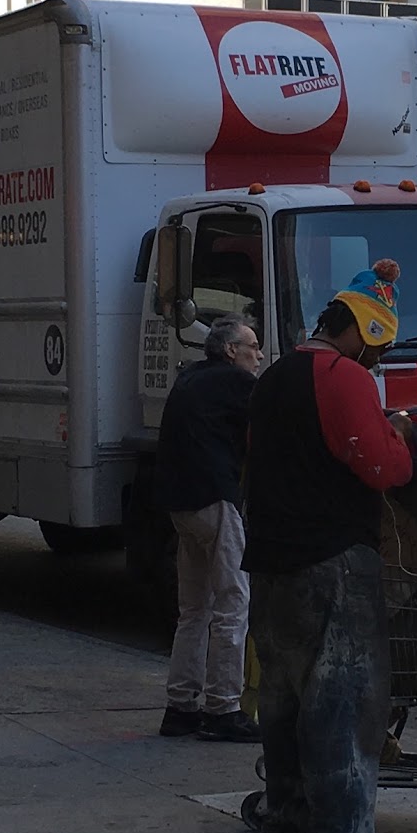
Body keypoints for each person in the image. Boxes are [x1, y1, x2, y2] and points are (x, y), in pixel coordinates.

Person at [244, 260, 414, 833]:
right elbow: (383, 468)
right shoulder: (340, 377)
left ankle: (284, 829)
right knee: (344, 706)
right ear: (363, 332)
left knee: (283, 703)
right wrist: (400, 436)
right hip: (332, 561)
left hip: (271, 561)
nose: (378, 360)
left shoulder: (273, 376)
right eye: (380, 346)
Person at [156, 314, 263, 742]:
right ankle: (223, 708)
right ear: (231, 350)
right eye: (252, 346)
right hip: (216, 498)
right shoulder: (235, 383)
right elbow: (273, 424)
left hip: (180, 505)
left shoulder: (191, 379)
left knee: (194, 609)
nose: (258, 354)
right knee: (233, 602)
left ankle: (180, 707)